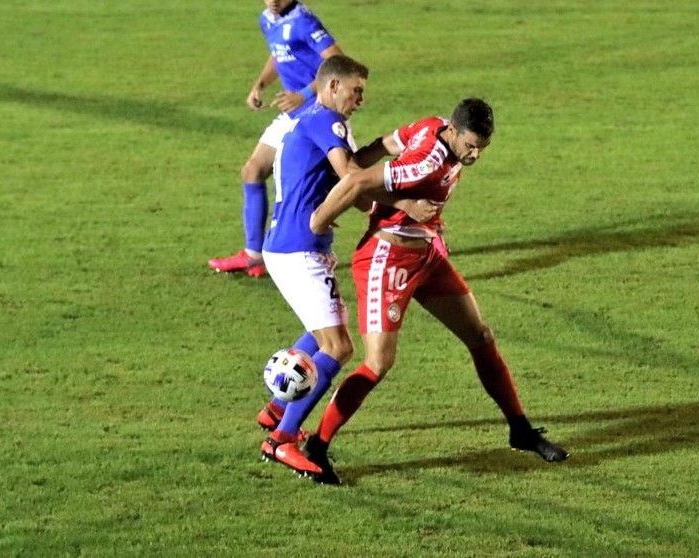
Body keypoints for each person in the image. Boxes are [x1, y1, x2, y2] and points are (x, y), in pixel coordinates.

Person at [302, 98, 570, 485]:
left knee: (480, 336)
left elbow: (386, 143)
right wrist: (319, 223)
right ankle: (317, 446)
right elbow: (358, 182)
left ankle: (520, 429)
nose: (474, 154)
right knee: (378, 363)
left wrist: (363, 162)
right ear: (454, 133)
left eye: (482, 147)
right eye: (470, 146)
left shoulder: (433, 125)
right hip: (387, 259)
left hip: (426, 255)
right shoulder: (428, 161)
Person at [255, 55, 440, 477]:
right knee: (337, 348)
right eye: (356, 91)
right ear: (333, 86)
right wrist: (406, 202)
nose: (360, 99)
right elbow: (353, 182)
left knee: (323, 328)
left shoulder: (316, 117)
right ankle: (281, 440)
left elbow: (352, 177)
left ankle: (276, 407)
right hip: (299, 248)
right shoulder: (329, 122)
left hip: (291, 242)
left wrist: (384, 157)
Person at [208, 0, 346, 277]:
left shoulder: (304, 21)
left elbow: (338, 64)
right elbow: (278, 53)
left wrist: (303, 95)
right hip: (292, 116)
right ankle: (254, 256)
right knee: (252, 171)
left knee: (352, 180)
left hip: (318, 115)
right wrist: (259, 84)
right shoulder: (267, 19)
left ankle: (411, 228)